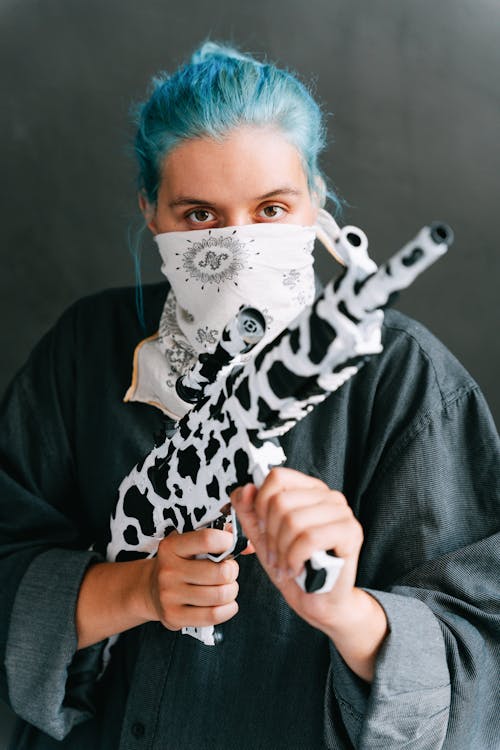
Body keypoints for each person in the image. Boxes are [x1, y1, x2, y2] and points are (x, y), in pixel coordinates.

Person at [0, 42, 498, 750]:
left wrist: (345, 610)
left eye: (271, 208)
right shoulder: (85, 347)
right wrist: (134, 591)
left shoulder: (404, 376)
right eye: (200, 215)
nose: (239, 245)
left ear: (318, 203)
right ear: (152, 212)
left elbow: (482, 647)